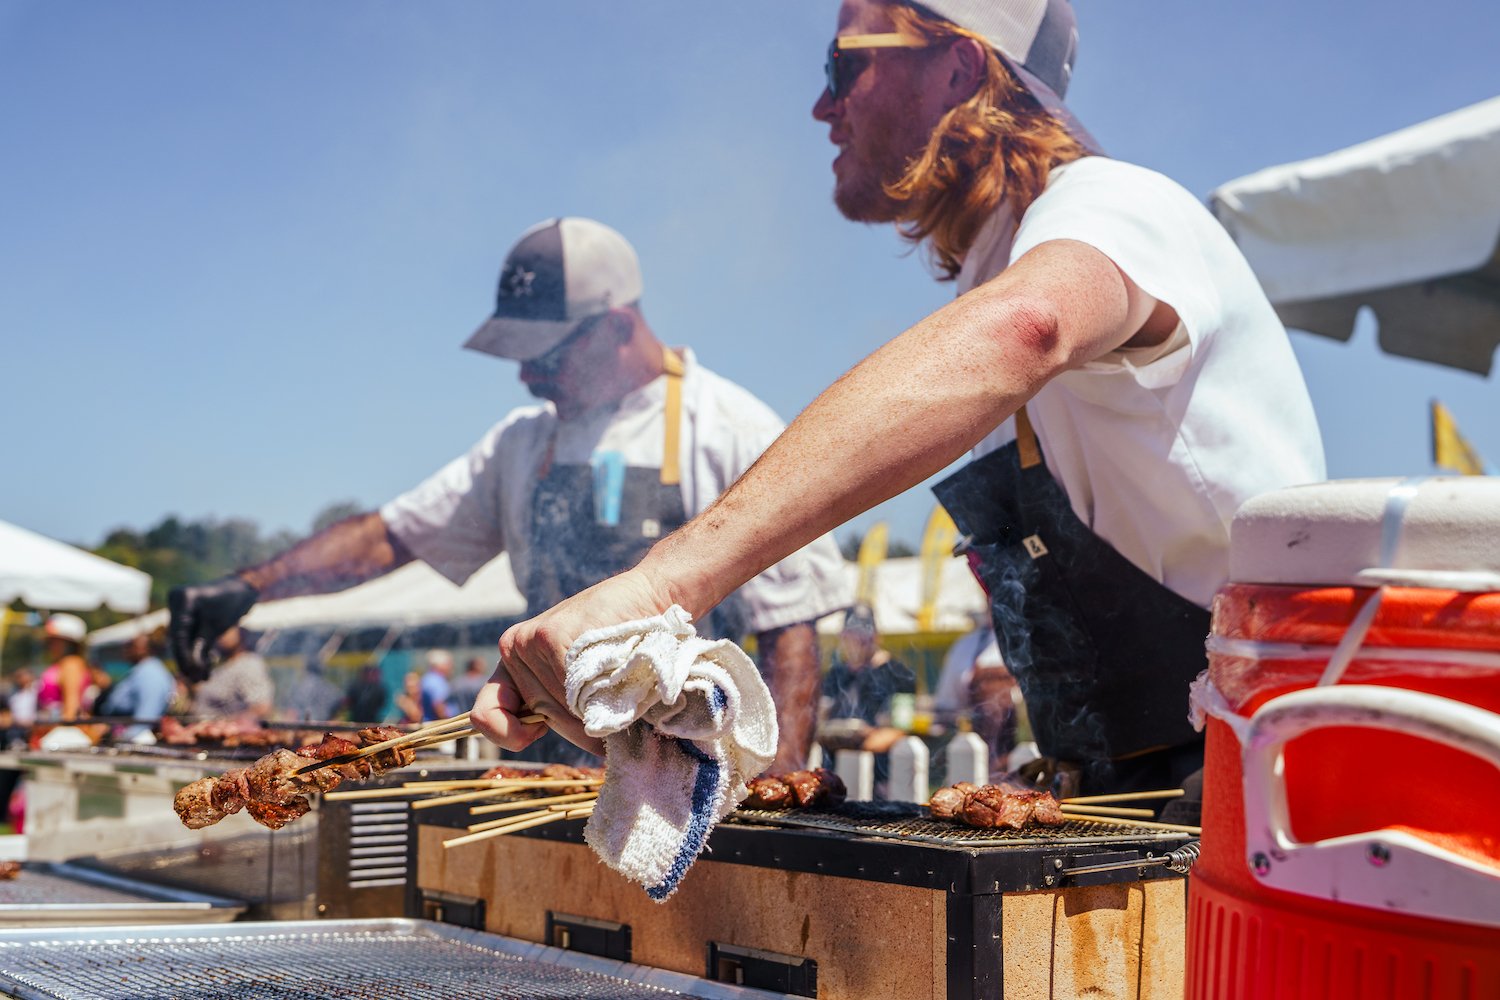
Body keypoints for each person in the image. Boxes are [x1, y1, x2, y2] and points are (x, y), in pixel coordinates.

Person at [474, 0, 1325, 813]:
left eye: (843, 66)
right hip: (1131, 794)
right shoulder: (997, 268)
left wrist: (659, 585)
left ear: (959, 69)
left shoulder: (1113, 204)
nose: (821, 105)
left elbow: (1024, 328)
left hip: (1246, 790)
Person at [168, 217, 849, 769]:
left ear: (616, 326)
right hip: (545, 767)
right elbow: (391, 537)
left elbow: (788, 630)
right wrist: (252, 585)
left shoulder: (728, 428)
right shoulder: (522, 444)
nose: (525, 376)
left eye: (545, 356)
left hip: (689, 777)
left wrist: (774, 784)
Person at [819, 602, 915, 754]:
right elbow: (821, 719)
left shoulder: (899, 674)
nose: (857, 640)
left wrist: (863, 743)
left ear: (875, 636)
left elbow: (902, 726)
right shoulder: (834, 676)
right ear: (843, 635)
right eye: (852, 633)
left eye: (863, 633)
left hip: (878, 768)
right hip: (832, 765)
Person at [96, 628, 176, 740]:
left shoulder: (150, 675)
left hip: (133, 742)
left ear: (144, 648)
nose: (125, 648)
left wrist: (121, 739)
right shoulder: (142, 671)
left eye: (130, 644)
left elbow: (145, 719)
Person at [190, 627, 274, 722]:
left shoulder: (248, 664)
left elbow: (262, 707)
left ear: (242, 631)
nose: (220, 634)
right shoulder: (218, 664)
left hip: (225, 734)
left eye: (227, 628)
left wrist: (226, 725)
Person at [35, 614, 90, 722]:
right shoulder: (62, 664)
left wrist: (63, 733)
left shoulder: (71, 664)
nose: (49, 645)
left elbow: (71, 708)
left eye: (54, 641)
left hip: (59, 732)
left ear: (69, 643)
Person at [280, 657, 345, 723]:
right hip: (324, 730)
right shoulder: (330, 688)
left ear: (306, 669)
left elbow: (291, 713)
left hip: (301, 729)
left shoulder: (298, 687)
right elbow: (340, 704)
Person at [419, 650, 454, 722]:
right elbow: (439, 707)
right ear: (439, 665)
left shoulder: (427, 679)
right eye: (448, 664)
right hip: (440, 727)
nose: (451, 667)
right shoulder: (436, 681)